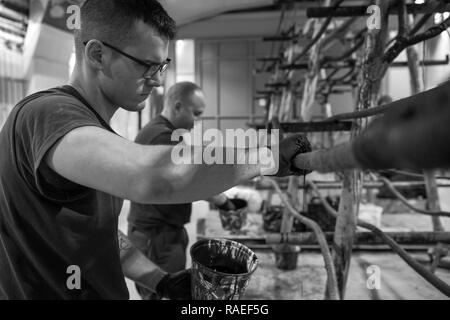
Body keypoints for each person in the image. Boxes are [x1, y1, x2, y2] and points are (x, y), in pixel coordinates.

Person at [0, 0, 311, 300]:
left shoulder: (94, 131)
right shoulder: (46, 113)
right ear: (97, 55)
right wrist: (265, 157)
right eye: (148, 66)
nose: (159, 82)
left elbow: (100, 237)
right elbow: (154, 177)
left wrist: (160, 281)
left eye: (162, 66)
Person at [128, 82, 236, 300]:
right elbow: (194, 181)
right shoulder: (162, 137)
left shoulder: (158, 131)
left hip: (161, 231)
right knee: (163, 294)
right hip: (157, 236)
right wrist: (224, 202)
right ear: (177, 107)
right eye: (196, 113)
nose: (197, 121)